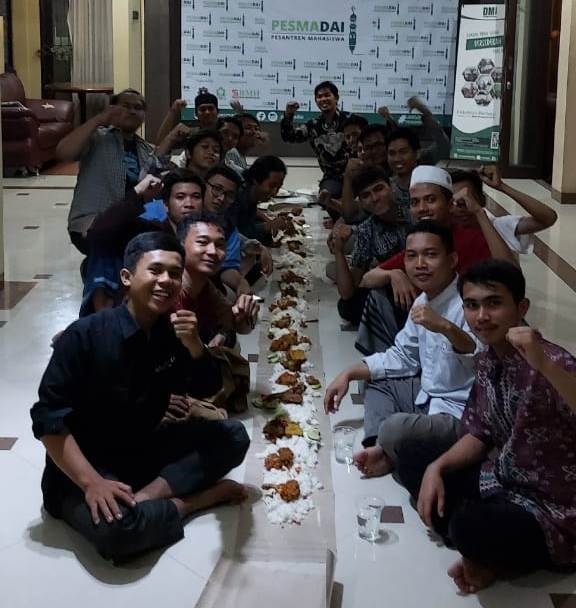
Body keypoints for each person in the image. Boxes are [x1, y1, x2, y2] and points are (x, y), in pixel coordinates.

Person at [31, 231, 250, 563]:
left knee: (233, 435)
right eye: (155, 270)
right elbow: (48, 418)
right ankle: (193, 502)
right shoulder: (85, 335)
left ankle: (150, 495)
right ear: (127, 277)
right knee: (117, 532)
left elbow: (206, 387)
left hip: (144, 449)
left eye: (174, 273)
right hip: (86, 466)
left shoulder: (172, 333)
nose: (166, 281)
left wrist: (195, 346)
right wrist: (92, 483)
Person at [397, 260, 576, 593]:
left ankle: (478, 544)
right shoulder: (487, 359)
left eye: (494, 303)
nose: (481, 316)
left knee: (468, 526)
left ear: (521, 308)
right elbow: (481, 432)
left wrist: (543, 364)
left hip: (554, 509)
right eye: (471, 305)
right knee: (411, 454)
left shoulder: (553, 360)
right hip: (503, 481)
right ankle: (483, 549)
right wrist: (437, 468)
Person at [325, 221, 479, 458]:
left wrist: (445, 327)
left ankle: (387, 448)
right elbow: (402, 356)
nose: (420, 264)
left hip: (460, 412)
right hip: (427, 395)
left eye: (430, 255)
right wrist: (348, 373)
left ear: (452, 260)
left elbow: (480, 356)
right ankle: (381, 448)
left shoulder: (471, 303)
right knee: (373, 382)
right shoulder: (423, 300)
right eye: (411, 256)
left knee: (396, 427)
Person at [356, 165, 515, 357]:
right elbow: (366, 279)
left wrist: (479, 212)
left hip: (471, 323)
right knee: (378, 296)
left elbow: (512, 274)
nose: (422, 208)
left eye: (431, 200)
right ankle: (392, 359)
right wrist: (393, 274)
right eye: (415, 202)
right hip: (428, 320)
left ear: (449, 204)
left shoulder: (470, 236)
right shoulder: (421, 241)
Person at [81, 172, 204, 315]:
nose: (189, 204)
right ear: (165, 204)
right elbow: (98, 233)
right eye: (180, 197)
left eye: (196, 197)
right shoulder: (147, 230)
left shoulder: (210, 237)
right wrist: (137, 193)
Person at [59, 89, 153, 254]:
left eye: (138, 107)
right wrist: (99, 119)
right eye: (125, 106)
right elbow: (64, 153)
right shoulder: (97, 138)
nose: (132, 111)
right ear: (112, 108)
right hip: (92, 222)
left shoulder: (146, 149)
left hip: (131, 222)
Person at [333, 166, 408, 325]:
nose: (374, 198)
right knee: (347, 306)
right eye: (366, 195)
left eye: (379, 189)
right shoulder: (366, 230)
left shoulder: (413, 210)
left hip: (429, 278)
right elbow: (348, 293)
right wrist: (338, 250)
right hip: (397, 288)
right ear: (361, 203)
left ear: (392, 187)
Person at [176, 213, 259, 347]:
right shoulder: (169, 293)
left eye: (220, 244)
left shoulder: (205, 285)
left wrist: (247, 313)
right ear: (180, 246)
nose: (213, 251)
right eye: (202, 242)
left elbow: (236, 326)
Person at [450, 165, 557, 255]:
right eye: (452, 203)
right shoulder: (444, 234)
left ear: (482, 201)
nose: (459, 209)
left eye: (465, 201)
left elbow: (548, 218)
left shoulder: (499, 227)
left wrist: (502, 187)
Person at [281, 81, 350, 198]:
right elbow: (289, 137)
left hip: (357, 173)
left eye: (327, 95)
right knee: (326, 197)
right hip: (332, 178)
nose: (323, 99)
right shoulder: (313, 125)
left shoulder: (351, 120)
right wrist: (288, 115)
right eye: (319, 97)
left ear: (336, 98)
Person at [235, 155, 291, 246]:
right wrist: (268, 226)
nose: (275, 192)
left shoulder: (251, 195)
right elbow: (234, 234)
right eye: (272, 186)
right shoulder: (236, 197)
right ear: (256, 180)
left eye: (279, 187)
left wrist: (269, 221)